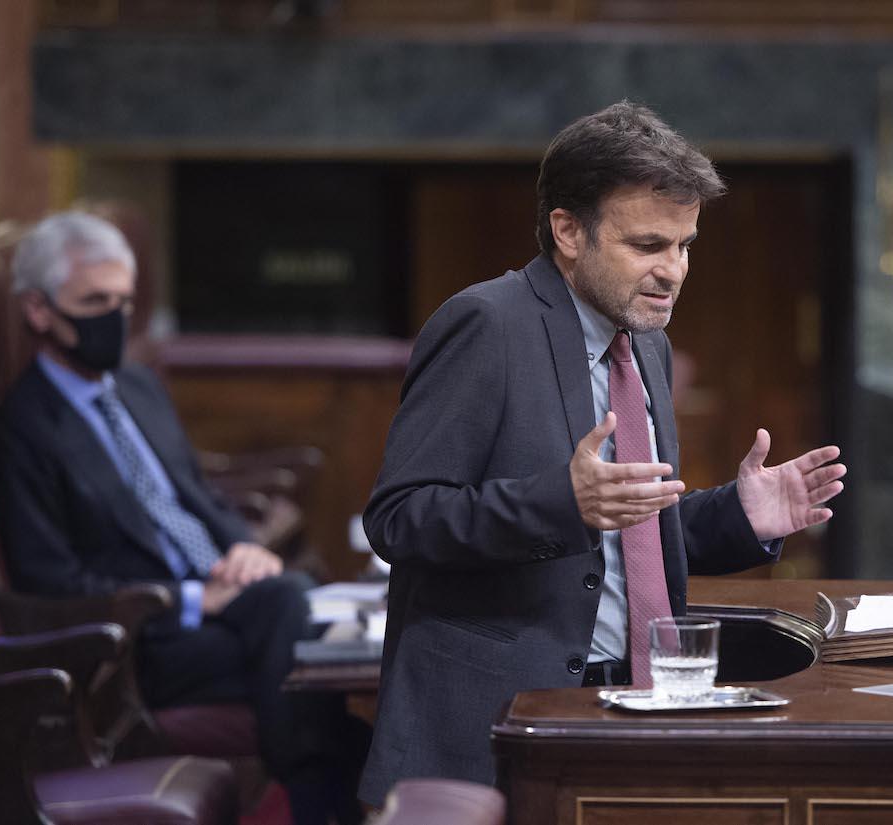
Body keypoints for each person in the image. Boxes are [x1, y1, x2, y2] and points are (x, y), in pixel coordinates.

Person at [358, 100, 847, 799]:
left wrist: (740, 516)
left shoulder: (646, 344)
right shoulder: (486, 324)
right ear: (568, 231)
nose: (673, 270)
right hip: (495, 729)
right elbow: (399, 517)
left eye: (685, 246)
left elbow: (628, 536)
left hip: (632, 708)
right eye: (648, 245)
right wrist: (563, 501)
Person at [0, 211, 364, 825]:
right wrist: (188, 599)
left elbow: (200, 496)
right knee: (305, 646)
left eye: (125, 302)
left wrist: (244, 548)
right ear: (38, 311)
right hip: (139, 641)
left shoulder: (136, 385)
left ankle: (318, 790)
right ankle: (321, 789)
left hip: (229, 609)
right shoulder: (20, 431)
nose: (114, 318)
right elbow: (49, 585)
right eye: (95, 301)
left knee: (302, 636)